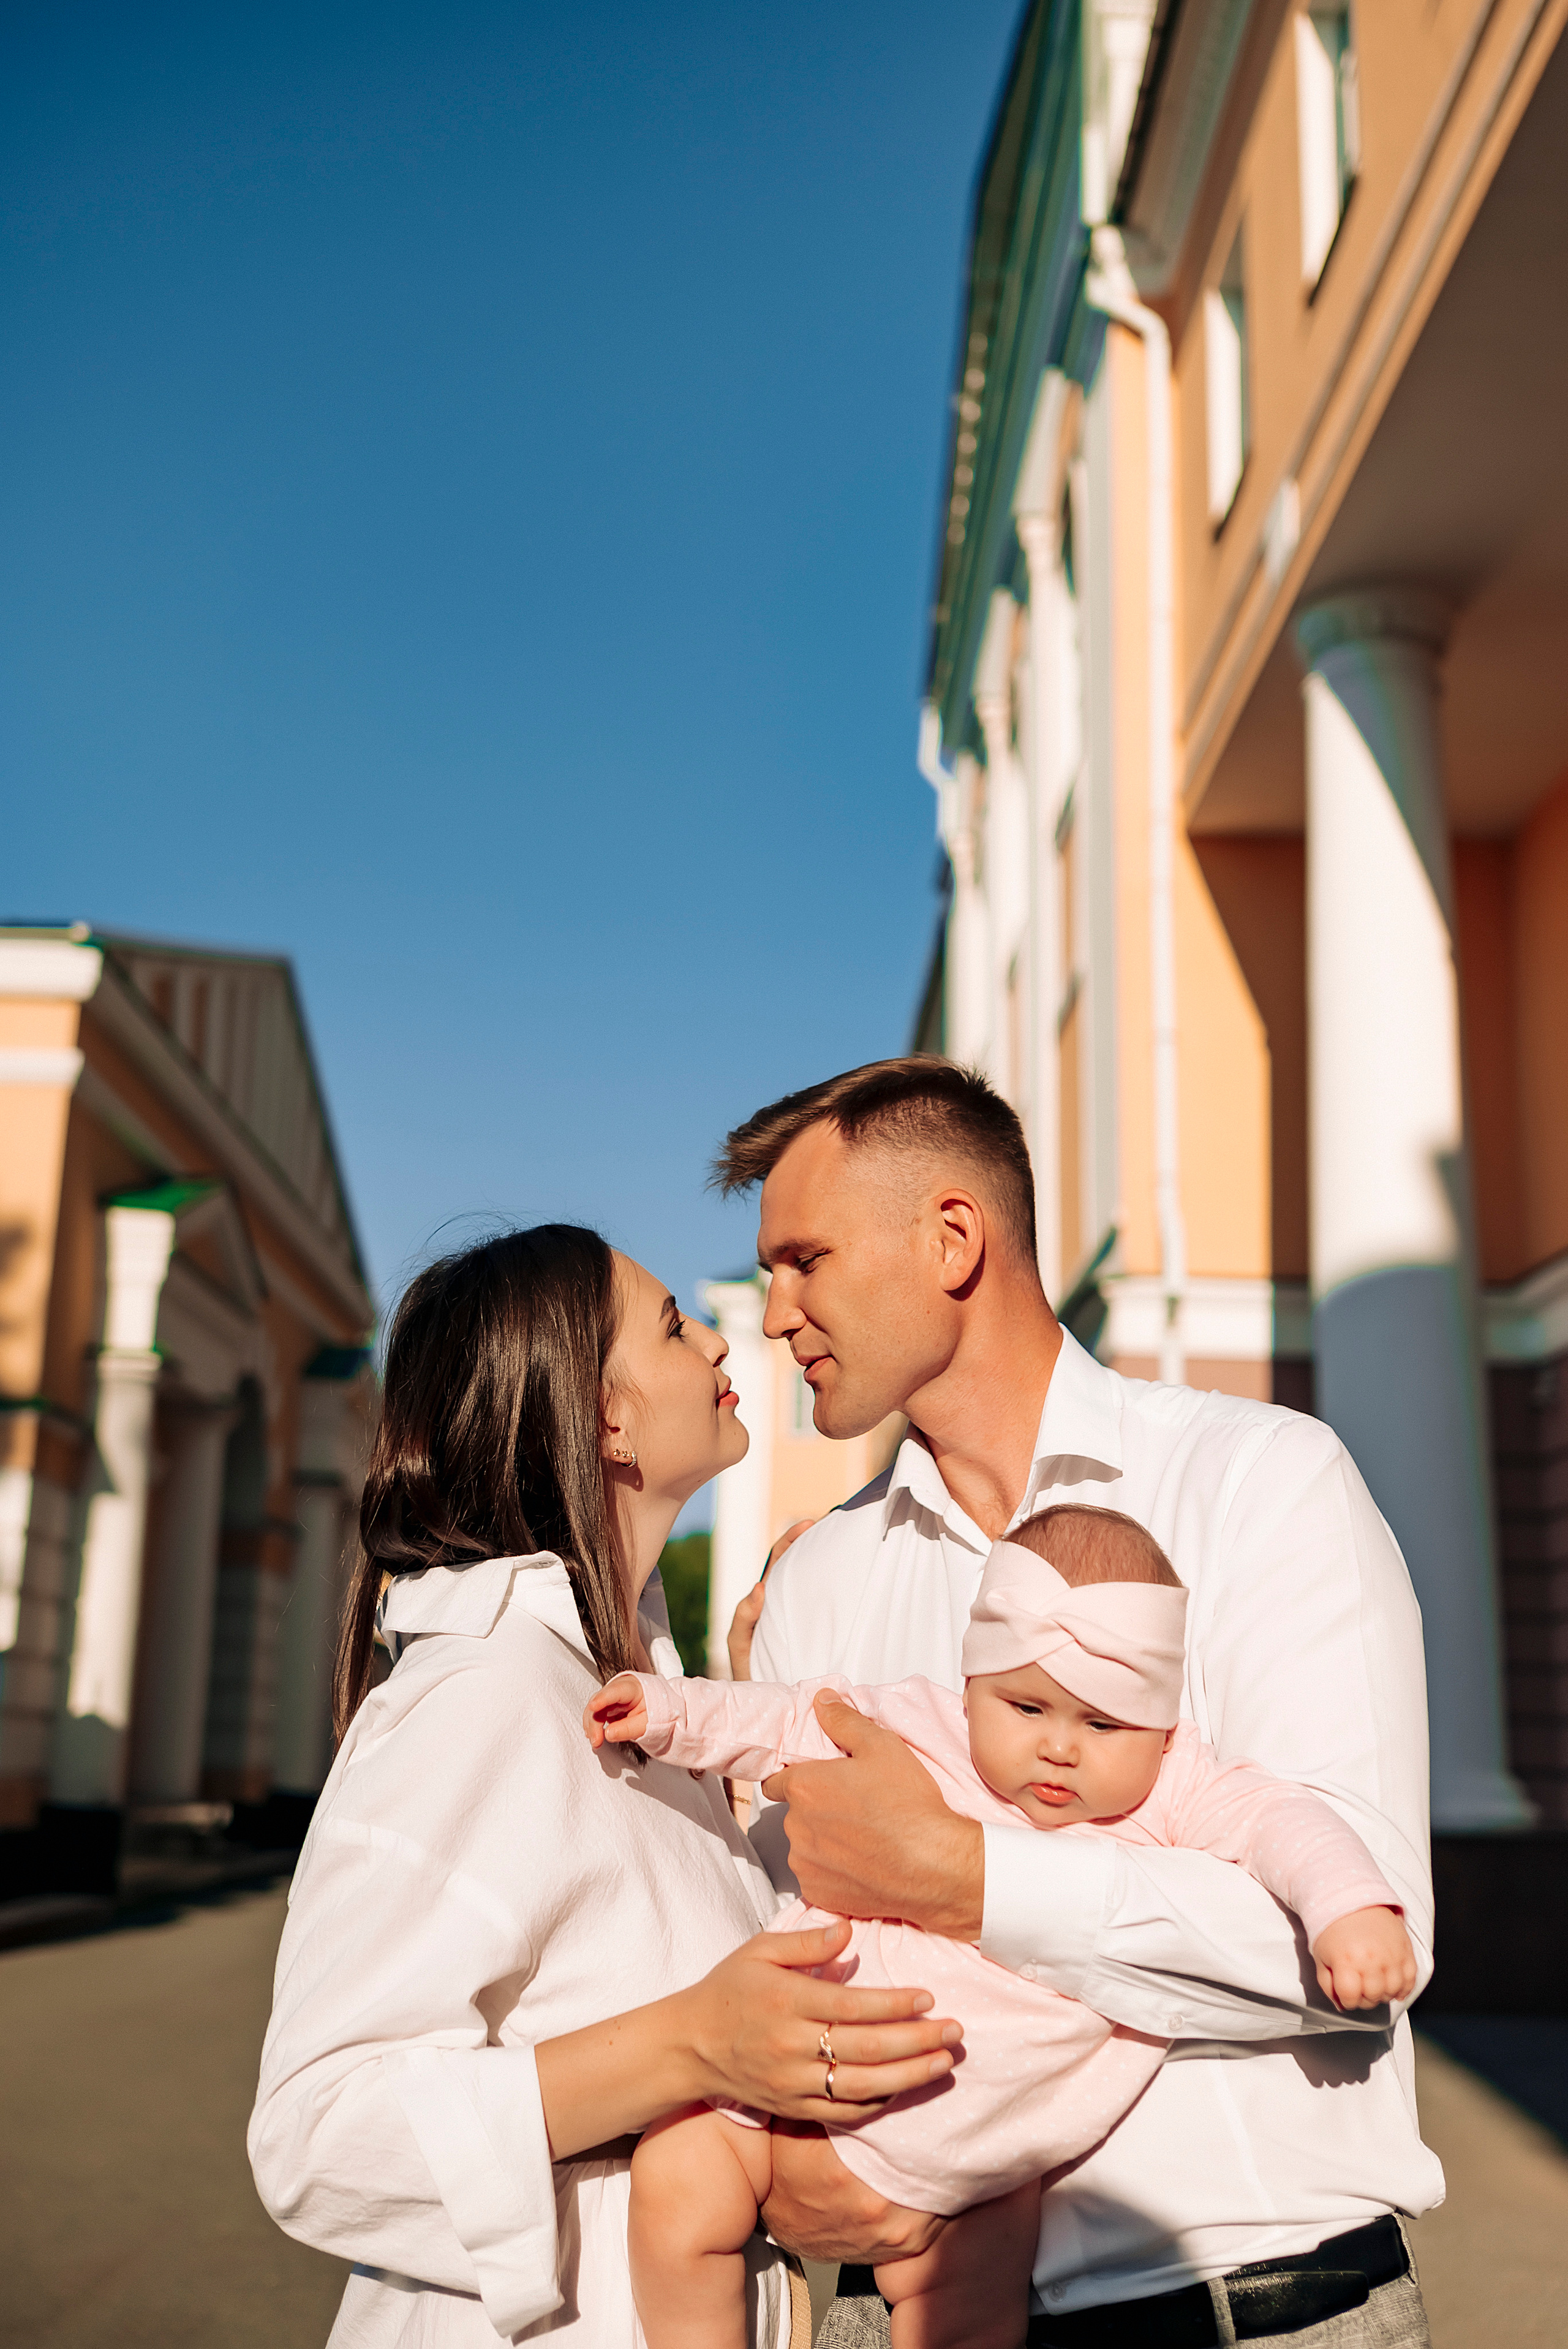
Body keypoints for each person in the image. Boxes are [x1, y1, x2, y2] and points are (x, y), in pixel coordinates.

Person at [713, 1058, 1443, 2349]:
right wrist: (794, 2165)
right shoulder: (819, 1582)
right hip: (892, 2316)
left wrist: (964, 1881)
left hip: (1250, 2312)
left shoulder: (1260, 1483)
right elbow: (801, 1955)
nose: (774, 1316)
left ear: (951, 1239)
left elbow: (1356, 1942)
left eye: (803, 1260)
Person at [247, 1225, 962, 2348]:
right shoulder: (483, 1685)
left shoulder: (638, 1694)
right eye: (676, 1323)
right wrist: (691, 2042)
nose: (725, 1335)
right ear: (608, 1416)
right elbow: (316, 2133)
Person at [587, 1505, 1415, 2349]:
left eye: (1102, 1723)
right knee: (677, 2175)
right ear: (972, 1682)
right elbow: (784, 1718)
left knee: (977, 2314)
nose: (1059, 1747)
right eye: (1025, 1706)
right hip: (792, 2085)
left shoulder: (1175, 1787)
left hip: (976, 2173)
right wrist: (664, 1711)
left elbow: (1283, 1820)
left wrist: (1349, 1906)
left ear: (1164, 1726)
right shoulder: (922, 1725)